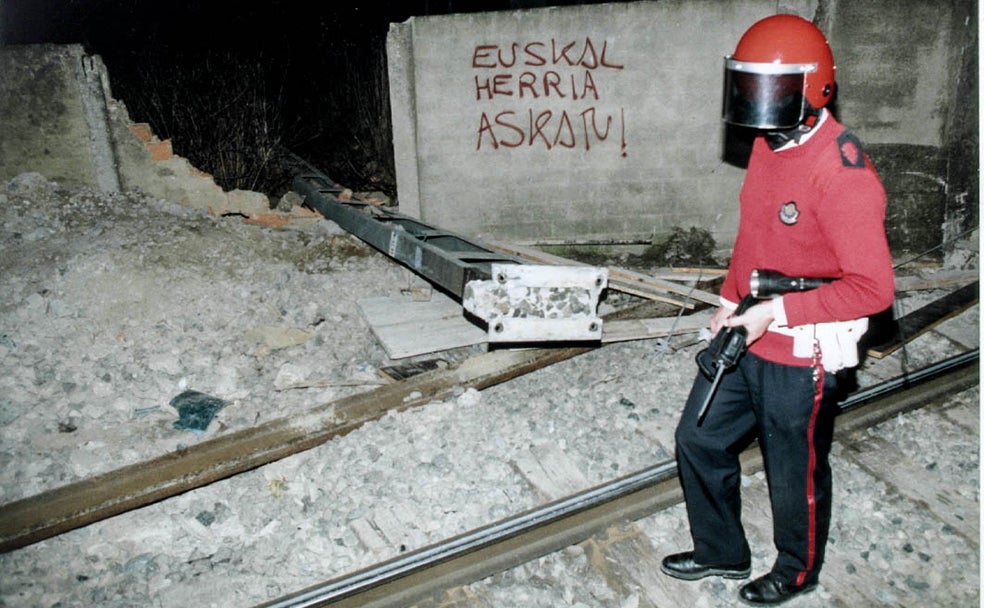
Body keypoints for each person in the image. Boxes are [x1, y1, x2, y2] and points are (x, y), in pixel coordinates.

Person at [659, 14, 896, 606]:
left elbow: (874, 289)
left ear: (813, 89)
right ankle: (722, 551)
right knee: (699, 438)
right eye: (748, 88)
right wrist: (727, 299)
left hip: (805, 347)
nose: (756, 107)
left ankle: (797, 569)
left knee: (794, 469)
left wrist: (776, 313)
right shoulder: (770, 144)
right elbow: (755, 236)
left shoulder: (844, 178)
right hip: (750, 324)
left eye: (772, 91)